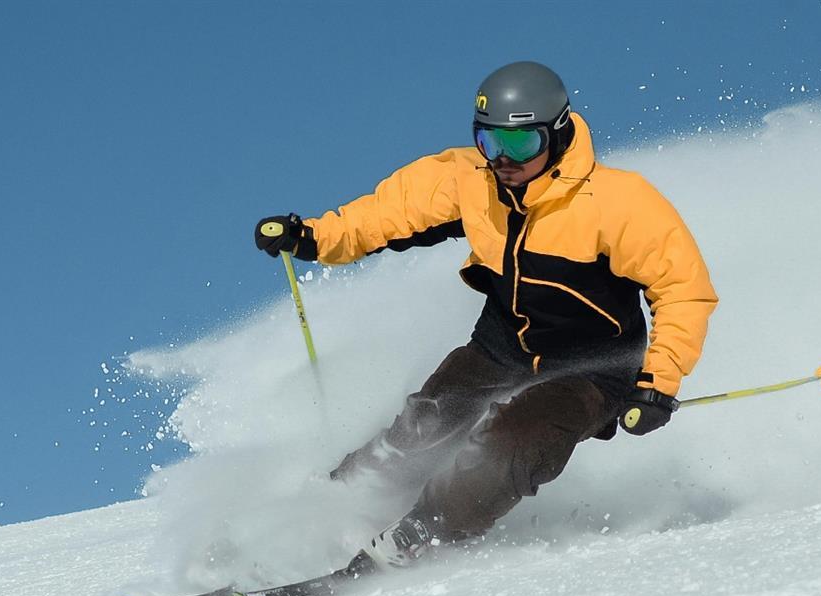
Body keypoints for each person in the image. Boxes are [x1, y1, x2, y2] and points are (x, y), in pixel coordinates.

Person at [254, 61, 717, 570]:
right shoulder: (472, 180)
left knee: (511, 442)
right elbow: (388, 214)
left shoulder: (618, 202)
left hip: (594, 367)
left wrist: (658, 383)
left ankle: (421, 533)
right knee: (423, 427)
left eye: (519, 145)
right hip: (503, 346)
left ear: (557, 134)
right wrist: (316, 237)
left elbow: (683, 289)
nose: (502, 159)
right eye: (489, 142)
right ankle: (327, 511)